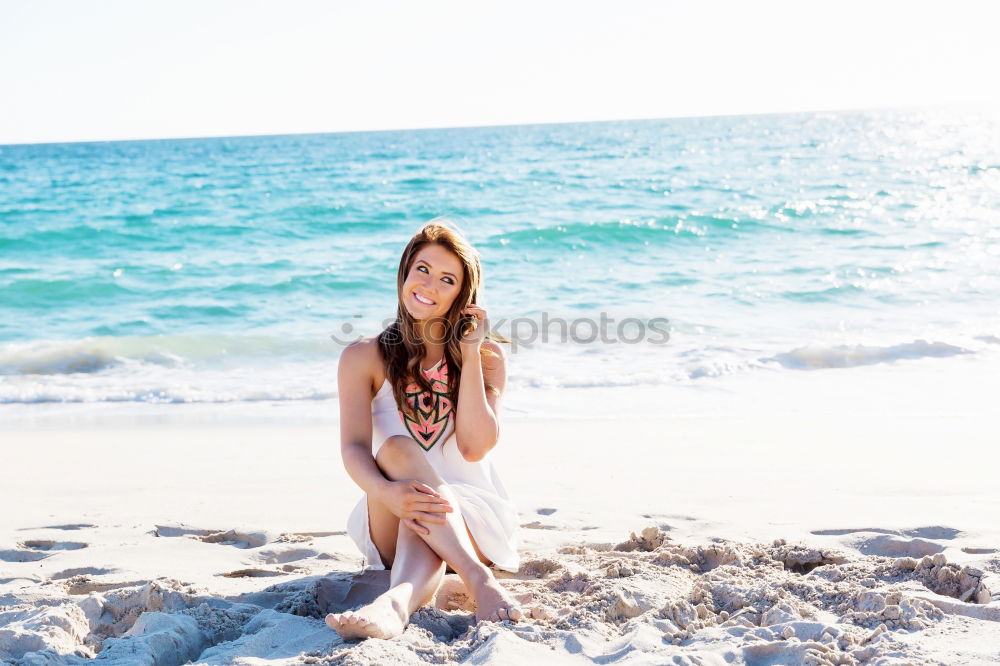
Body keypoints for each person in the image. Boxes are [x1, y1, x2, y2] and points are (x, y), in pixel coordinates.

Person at [325, 219, 523, 641]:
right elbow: (354, 447)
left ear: (461, 295)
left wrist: (468, 358)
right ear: (405, 272)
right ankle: (476, 580)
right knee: (396, 452)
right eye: (423, 269)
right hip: (391, 509)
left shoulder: (486, 358)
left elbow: (474, 447)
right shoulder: (363, 357)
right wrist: (385, 492)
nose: (429, 285)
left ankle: (398, 602)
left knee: (422, 500)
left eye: (447, 279)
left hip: (473, 518)